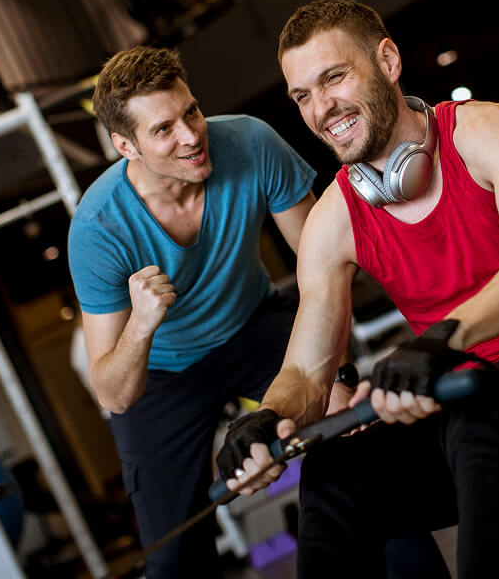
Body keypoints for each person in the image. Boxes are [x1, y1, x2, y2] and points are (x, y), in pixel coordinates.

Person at [216, 0, 499, 577]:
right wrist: (264, 421)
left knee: (477, 407)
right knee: (334, 473)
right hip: (466, 417)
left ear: (387, 60)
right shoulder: (334, 218)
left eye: (334, 78)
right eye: (302, 96)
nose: (321, 109)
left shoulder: (482, 131)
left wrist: (441, 341)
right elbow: (308, 372)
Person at [67, 45, 316, 577]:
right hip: (162, 376)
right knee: (175, 559)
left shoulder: (250, 141)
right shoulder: (97, 230)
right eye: (163, 130)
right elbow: (112, 391)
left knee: (358, 450)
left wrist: (327, 378)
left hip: (254, 326)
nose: (191, 135)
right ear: (124, 145)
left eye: (192, 112)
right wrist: (141, 325)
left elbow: (323, 267)